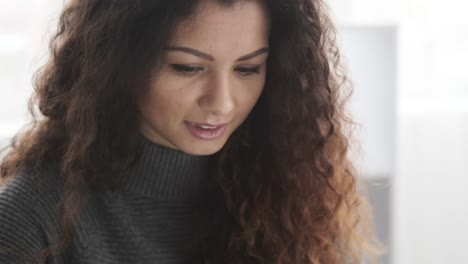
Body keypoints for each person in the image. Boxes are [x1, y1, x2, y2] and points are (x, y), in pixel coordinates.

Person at [0, 0, 383, 263]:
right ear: (117, 64)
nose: (223, 103)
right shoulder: (30, 217)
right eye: (187, 67)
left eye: (248, 69)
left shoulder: (286, 194)